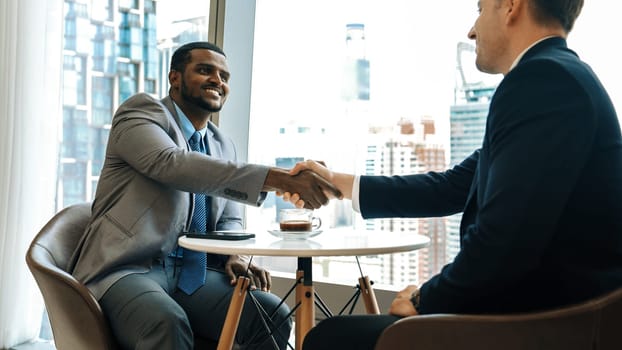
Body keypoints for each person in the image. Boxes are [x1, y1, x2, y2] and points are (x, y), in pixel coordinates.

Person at [285, 0, 622, 348]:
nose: (471, 29)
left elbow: (502, 241)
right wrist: (335, 182)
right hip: (546, 309)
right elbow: (451, 187)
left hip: (550, 324)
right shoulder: (556, 77)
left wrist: (424, 301)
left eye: (479, 9)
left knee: (329, 339)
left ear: (510, 6)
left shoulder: (543, 81)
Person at [68, 41, 341, 350]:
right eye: (205, 70)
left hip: (193, 276)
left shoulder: (222, 144)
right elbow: (172, 164)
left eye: (224, 76)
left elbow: (230, 218)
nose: (218, 80)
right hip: (129, 268)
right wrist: (278, 178)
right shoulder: (141, 113)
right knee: (167, 321)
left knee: (270, 313)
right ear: (175, 77)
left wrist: (233, 256)